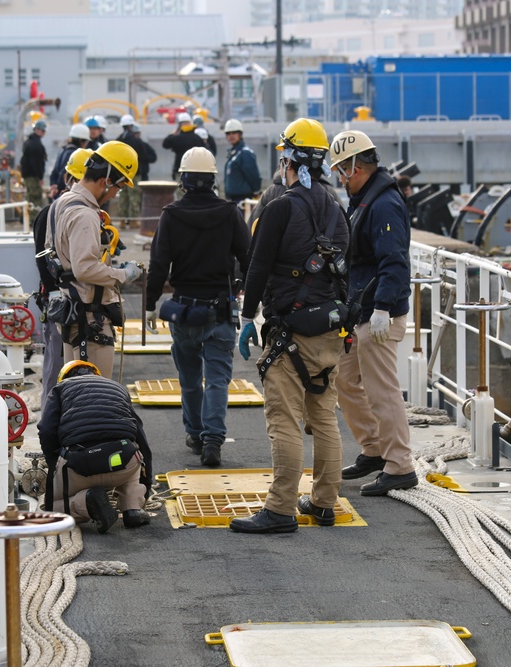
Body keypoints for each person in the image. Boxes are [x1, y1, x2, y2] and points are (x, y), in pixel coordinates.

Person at [231, 118, 350, 534]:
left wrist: (248, 319)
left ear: (290, 159)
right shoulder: (337, 210)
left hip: (290, 333)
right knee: (325, 418)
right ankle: (323, 502)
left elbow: (258, 265)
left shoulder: (280, 207)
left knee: (284, 421)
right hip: (330, 333)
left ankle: (280, 509)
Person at [144, 147, 250, 467]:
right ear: (213, 178)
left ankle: (194, 432)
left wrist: (150, 304)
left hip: (184, 310)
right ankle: (213, 440)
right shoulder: (230, 212)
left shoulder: (171, 215)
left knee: (190, 378)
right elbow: (249, 257)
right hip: (219, 310)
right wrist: (245, 290)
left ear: (183, 179)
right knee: (217, 379)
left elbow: (159, 263)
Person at [328, 129, 417, 496]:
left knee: (383, 391)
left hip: (380, 315)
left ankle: (400, 466)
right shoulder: (364, 199)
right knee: (345, 380)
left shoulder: (383, 205)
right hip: (361, 312)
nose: (338, 177)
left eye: (340, 170)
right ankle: (374, 448)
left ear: (354, 167)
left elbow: (394, 261)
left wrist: (382, 308)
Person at [47, 141, 143, 379]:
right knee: (97, 399)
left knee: (75, 395)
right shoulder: (85, 214)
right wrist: (124, 275)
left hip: (73, 313)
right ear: (106, 181)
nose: (114, 194)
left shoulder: (61, 204)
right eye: (118, 188)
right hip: (91, 322)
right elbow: (85, 268)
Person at [37, 360, 153, 532]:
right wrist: (147, 486)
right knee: (132, 450)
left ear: (63, 378)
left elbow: (46, 430)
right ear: (96, 375)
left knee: (51, 510)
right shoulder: (118, 388)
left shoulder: (60, 389)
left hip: (79, 467)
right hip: (122, 463)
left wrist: (55, 463)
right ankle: (132, 507)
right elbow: (141, 437)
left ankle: (86, 502)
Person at [34, 147, 94, 400]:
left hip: (62, 301)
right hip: (63, 303)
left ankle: (57, 426)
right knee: (58, 370)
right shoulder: (56, 213)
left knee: (59, 368)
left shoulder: (54, 211)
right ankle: (52, 426)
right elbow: (45, 260)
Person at [115, 114, 151, 227]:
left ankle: (122, 221)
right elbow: (144, 156)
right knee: (134, 196)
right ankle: (134, 221)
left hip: (120, 172)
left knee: (123, 196)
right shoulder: (136, 141)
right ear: (131, 126)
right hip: (134, 172)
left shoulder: (118, 140)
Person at [222, 119, 262, 205]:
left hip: (243, 202)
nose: (231, 135)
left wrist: (256, 191)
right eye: (228, 133)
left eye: (234, 132)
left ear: (240, 134)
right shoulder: (233, 154)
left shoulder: (245, 153)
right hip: (233, 201)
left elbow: (253, 175)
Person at [49, 123, 90, 199]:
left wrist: (53, 185)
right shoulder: (74, 153)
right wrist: (58, 188)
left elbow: (54, 172)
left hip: (58, 193)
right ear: (82, 141)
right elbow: (64, 173)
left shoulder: (63, 150)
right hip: (65, 193)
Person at [162, 112, 206, 181]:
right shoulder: (197, 138)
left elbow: (165, 144)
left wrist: (173, 134)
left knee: (181, 191)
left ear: (180, 125)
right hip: (196, 172)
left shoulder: (176, 138)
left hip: (181, 170)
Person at [20, 119, 48, 211]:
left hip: (28, 175)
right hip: (33, 176)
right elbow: (37, 163)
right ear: (36, 130)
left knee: (29, 196)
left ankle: (25, 218)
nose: (43, 132)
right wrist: (40, 177)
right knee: (35, 197)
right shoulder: (36, 144)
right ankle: (32, 219)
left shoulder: (29, 142)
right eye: (42, 130)